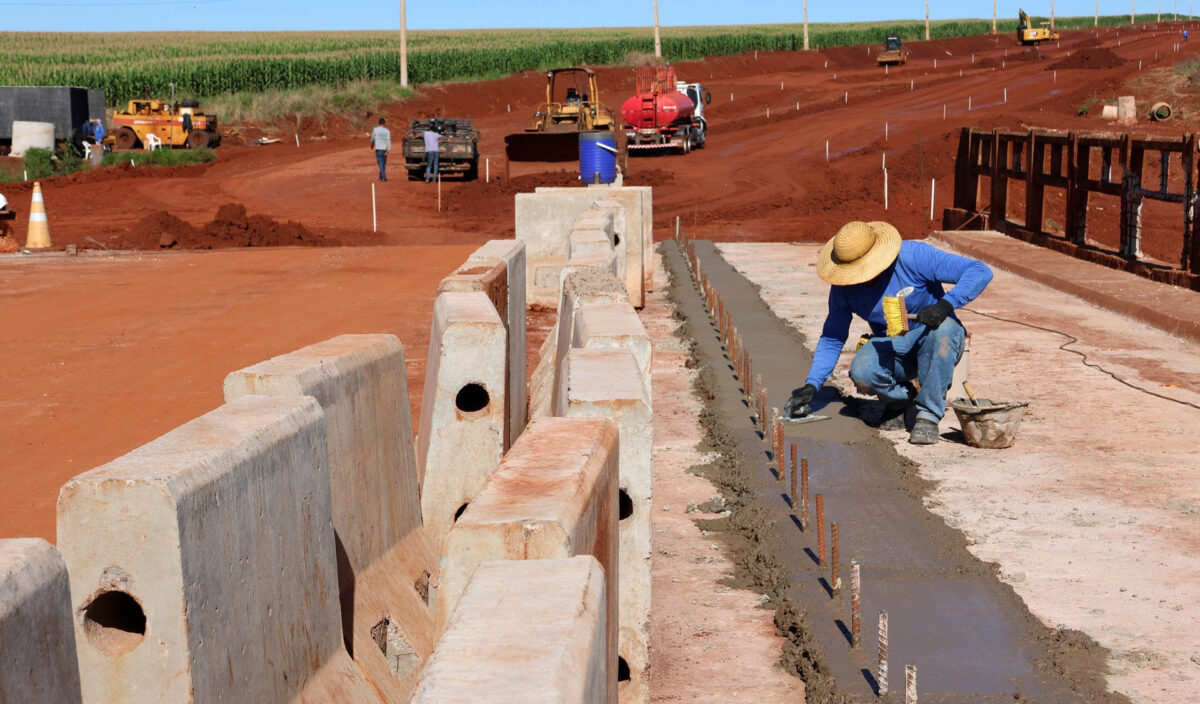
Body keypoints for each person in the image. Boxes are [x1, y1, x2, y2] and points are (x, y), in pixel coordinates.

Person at [783, 221, 993, 445]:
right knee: (863, 371)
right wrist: (812, 385)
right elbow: (833, 338)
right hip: (895, 347)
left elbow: (980, 271)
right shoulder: (844, 288)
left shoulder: (913, 257)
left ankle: (928, 415)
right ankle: (900, 400)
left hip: (936, 342)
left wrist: (944, 305)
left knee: (944, 328)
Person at [370, 117, 391, 182]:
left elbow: (372, 138)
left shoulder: (375, 130)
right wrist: (388, 149)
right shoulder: (387, 130)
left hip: (378, 149)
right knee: (383, 164)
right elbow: (388, 140)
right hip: (384, 149)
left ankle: (383, 177)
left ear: (378, 123)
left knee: (380, 163)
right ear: (384, 123)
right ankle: (381, 177)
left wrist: (372, 145)